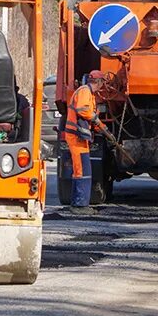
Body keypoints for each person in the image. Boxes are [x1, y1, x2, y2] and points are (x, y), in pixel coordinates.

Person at [64, 70, 109, 215]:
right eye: (102, 82)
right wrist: (96, 119)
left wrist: (101, 126)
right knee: (82, 170)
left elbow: (90, 115)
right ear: (99, 82)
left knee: (81, 170)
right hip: (76, 137)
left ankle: (77, 202)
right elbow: (83, 111)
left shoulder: (88, 94)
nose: (103, 86)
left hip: (79, 137)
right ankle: (79, 205)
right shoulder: (84, 92)